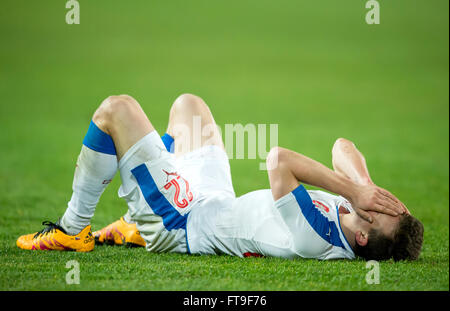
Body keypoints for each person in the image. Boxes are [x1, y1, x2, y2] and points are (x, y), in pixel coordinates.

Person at [16, 93, 424, 261]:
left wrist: (353, 190)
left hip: (183, 224)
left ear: (363, 238)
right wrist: (365, 187)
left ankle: (73, 229)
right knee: (189, 106)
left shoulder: (316, 237)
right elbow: (341, 146)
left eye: (379, 211)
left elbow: (278, 159)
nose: (375, 204)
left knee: (116, 110)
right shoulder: (356, 213)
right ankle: (142, 197)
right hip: (214, 199)